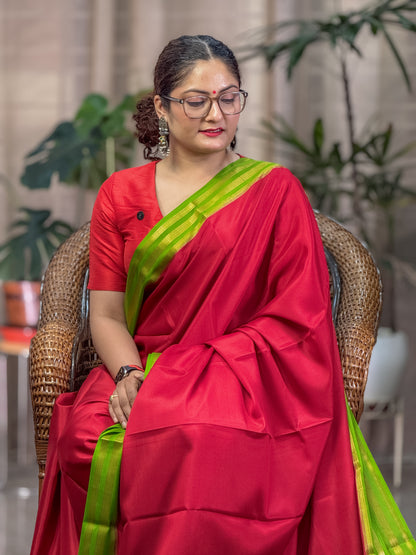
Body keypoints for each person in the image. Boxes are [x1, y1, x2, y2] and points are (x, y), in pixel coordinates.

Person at [31, 35, 415, 555]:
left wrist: (197, 375)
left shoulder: (275, 191)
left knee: (197, 431)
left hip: (248, 376)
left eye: (229, 97)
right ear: (162, 108)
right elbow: (105, 314)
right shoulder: (120, 193)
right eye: (196, 100)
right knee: (86, 437)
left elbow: (298, 320)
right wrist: (128, 374)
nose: (216, 113)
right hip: (140, 363)